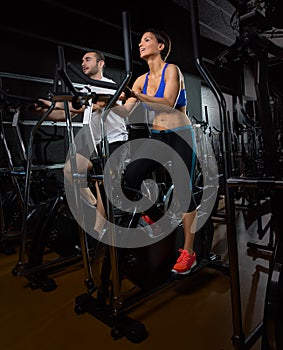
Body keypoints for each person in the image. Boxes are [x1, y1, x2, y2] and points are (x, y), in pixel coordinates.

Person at [115, 28, 198, 275]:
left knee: (184, 190)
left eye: (147, 40)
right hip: (158, 138)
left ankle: (189, 252)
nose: (141, 44)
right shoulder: (139, 80)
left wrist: (136, 96)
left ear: (160, 46)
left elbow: (169, 103)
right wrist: (103, 102)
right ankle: (158, 218)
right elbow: (126, 110)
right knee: (131, 176)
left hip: (180, 135)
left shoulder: (171, 70)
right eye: (140, 41)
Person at [36, 50, 129, 234]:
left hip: (115, 140)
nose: (83, 63)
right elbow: (65, 113)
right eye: (82, 60)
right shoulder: (85, 91)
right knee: (69, 170)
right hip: (95, 143)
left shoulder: (111, 86)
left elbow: (105, 104)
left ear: (100, 64)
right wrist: (45, 110)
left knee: (101, 181)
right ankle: (94, 203)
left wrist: (94, 104)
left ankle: (98, 231)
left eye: (88, 59)